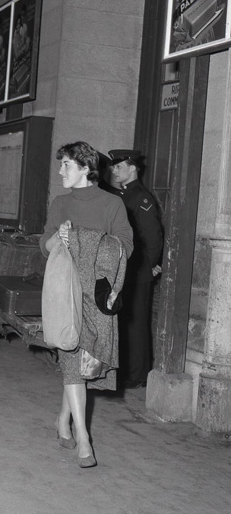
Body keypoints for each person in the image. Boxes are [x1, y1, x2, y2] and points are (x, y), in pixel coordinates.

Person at [40, 142, 133, 468]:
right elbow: (44, 243)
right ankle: (83, 440)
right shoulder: (60, 203)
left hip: (98, 294)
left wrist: (85, 238)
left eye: (66, 164)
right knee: (71, 357)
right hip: (66, 291)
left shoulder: (112, 204)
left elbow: (126, 246)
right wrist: (59, 238)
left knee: (86, 364)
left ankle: (62, 419)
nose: (60, 171)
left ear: (85, 168)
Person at [109, 149, 164, 388]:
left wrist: (148, 266)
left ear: (132, 168)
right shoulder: (122, 195)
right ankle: (125, 371)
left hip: (137, 270)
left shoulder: (142, 198)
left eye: (118, 167)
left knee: (136, 324)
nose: (114, 171)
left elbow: (153, 237)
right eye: (113, 167)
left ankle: (137, 375)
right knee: (124, 321)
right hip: (124, 268)